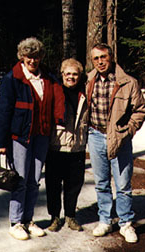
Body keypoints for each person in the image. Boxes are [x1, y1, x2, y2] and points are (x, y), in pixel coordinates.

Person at [0, 37, 65, 240]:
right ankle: (15, 222)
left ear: (40, 57)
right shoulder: (13, 79)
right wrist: (1, 142)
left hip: (41, 135)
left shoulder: (48, 78)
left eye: (36, 56)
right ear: (22, 57)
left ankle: (28, 219)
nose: (32, 60)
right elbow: (3, 112)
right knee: (20, 179)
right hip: (20, 137)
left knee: (34, 180)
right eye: (28, 56)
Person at [86, 43, 145, 243]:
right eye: (96, 58)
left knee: (122, 184)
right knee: (101, 183)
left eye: (103, 57)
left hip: (120, 138)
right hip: (95, 135)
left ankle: (125, 223)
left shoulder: (128, 82)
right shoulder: (88, 80)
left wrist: (128, 130)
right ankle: (105, 220)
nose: (100, 61)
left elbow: (140, 110)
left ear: (111, 57)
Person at [45, 58, 88, 232]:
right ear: (62, 74)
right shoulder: (55, 91)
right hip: (56, 146)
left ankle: (70, 215)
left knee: (74, 185)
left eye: (75, 74)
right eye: (68, 73)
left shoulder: (85, 93)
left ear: (80, 76)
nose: (71, 77)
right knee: (53, 185)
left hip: (77, 147)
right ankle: (55, 217)